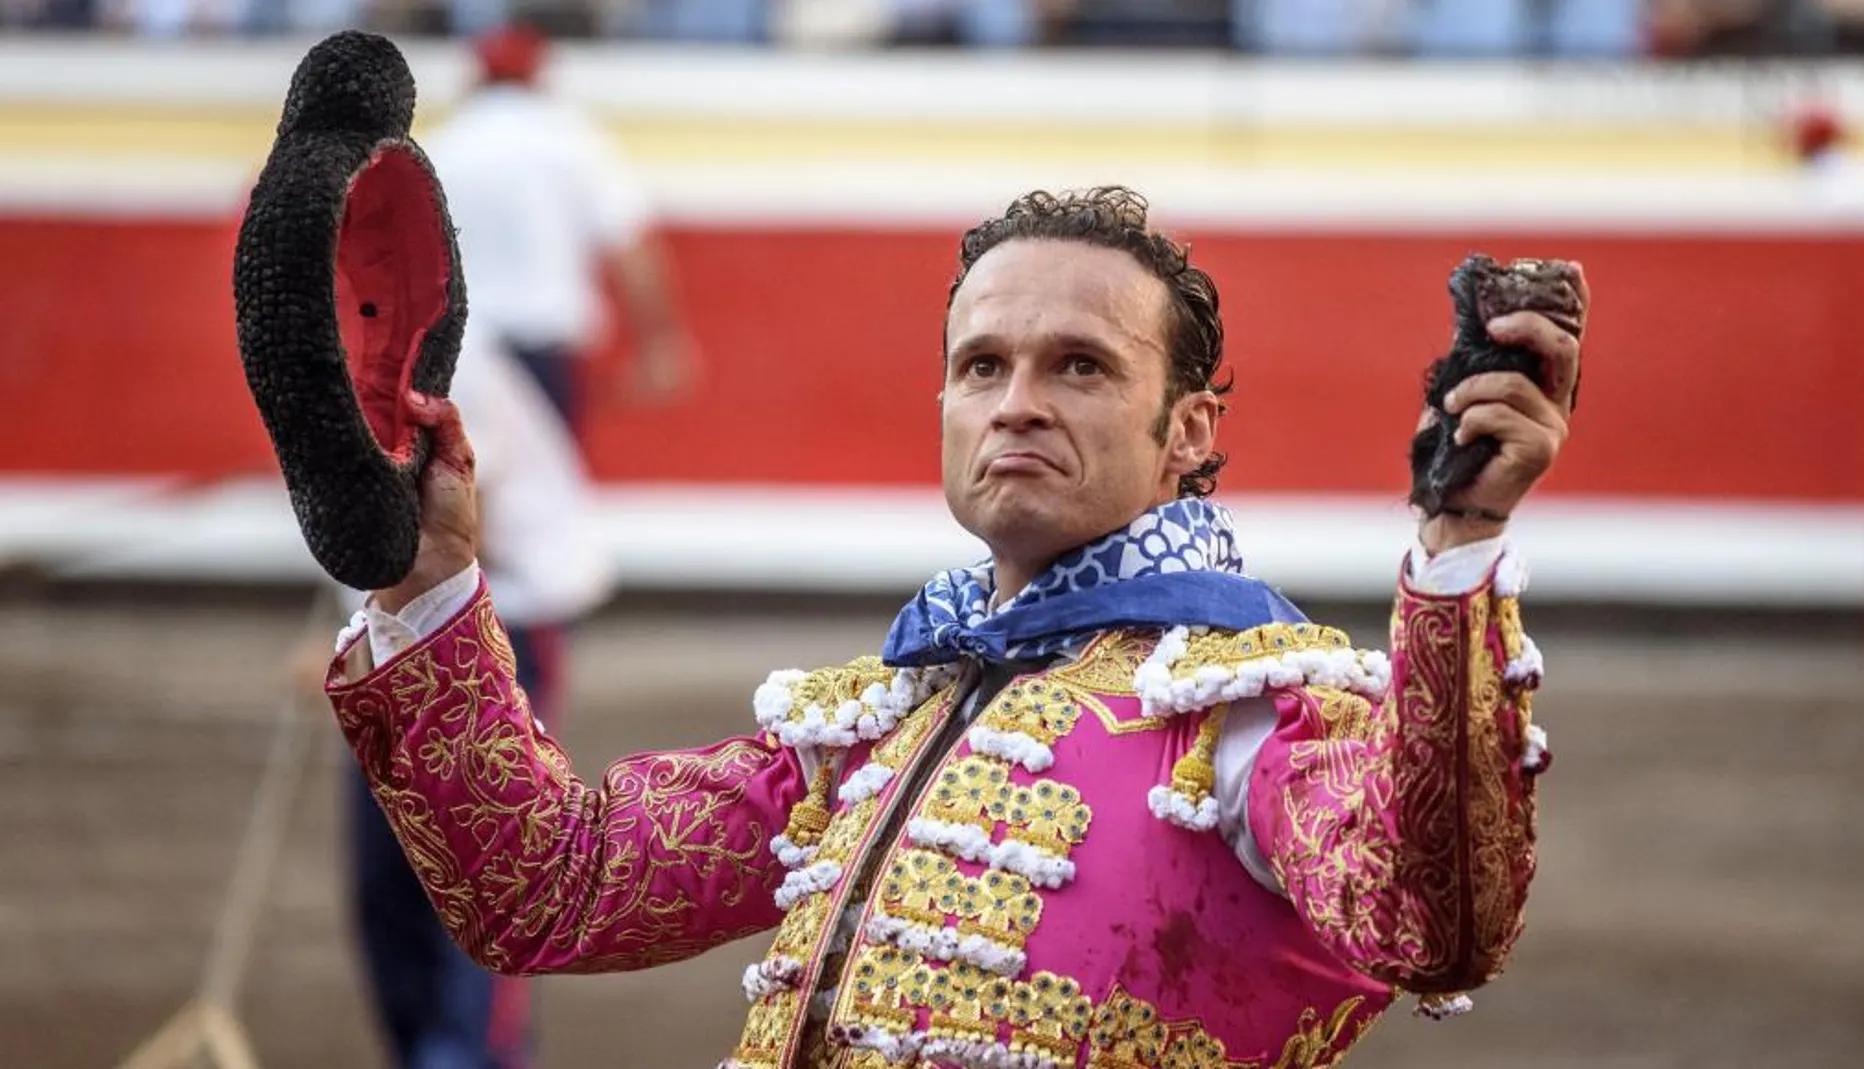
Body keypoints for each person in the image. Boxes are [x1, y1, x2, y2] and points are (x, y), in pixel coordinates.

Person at [322, 187, 1577, 1068]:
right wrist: (427, 580)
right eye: (982, 367)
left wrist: (1456, 551)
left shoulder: (1246, 713)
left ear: (1187, 430)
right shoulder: (885, 715)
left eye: (1079, 366)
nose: (1016, 405)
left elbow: (1426, 919)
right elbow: (553, 891)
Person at [309, 317, 614, 1069]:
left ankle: (471, 1053)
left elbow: (467, 519)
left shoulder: (435, 360)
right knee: (393, 873)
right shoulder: (341, 354)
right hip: (408, 614)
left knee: (490, 855)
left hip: (501, 607)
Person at [421, 16, 696, 430]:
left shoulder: (444, 147)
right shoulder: (572, 143)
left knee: (456, 483)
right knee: (541, 488)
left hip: (459, 356)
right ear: (540, 77)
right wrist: (657, 340)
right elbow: (628, 247)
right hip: (541, 355)